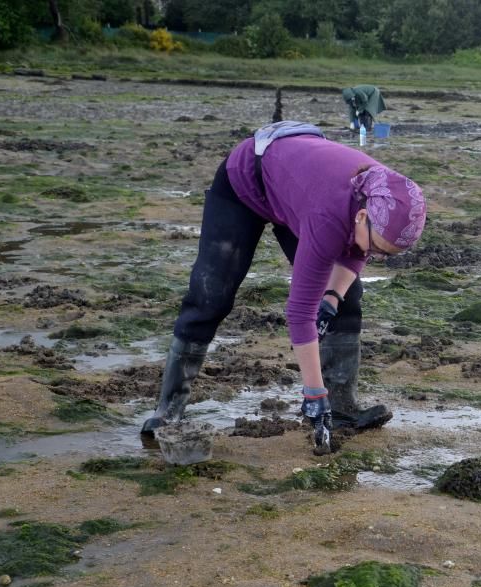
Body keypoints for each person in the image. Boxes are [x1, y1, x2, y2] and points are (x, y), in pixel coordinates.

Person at [141, 121, 426, 455]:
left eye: (386, 254)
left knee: (348, 298)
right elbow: (300, 312)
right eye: (377, 249)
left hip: (297, 190)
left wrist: (333, 297)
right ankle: (169, 410)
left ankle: (344, 409)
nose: (375, 256)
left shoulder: (385, 194)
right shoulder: (330, 217)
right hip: (246, 182)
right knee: (211, 296)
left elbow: (357, 251)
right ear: (362, 216)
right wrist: (312, 394)